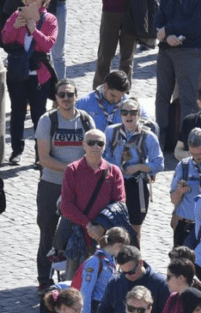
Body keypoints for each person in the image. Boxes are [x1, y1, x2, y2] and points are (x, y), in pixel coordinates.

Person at [34, 80, 94, 289]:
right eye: (62, 95)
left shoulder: (86, 120)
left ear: (76, 96)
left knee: (81, 231)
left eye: (70, 94)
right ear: (56, 98)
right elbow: (44, 159)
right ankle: (44, 280)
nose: (66, 99)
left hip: (79, 187)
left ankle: (77, 277)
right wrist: (74, 168)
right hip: (52, 184)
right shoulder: (47, 120)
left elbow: (94, 152)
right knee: (47, 230)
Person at [59, 128, 126, 275]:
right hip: (77, 236)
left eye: (99, 143)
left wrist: (101, 227)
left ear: (104, 146)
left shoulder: (114, 171)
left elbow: (119, 204)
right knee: (74, 281)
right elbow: (66, 206)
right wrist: (89, 225)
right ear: (83, 145)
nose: (95, 146)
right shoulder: (73, 170)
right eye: (91, 143)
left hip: (106, 238)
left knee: (104, 282)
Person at [1, 0, 58, 165]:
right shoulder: (16, 16)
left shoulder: (50, 19)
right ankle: (16, 151)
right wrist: (15, 27)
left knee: (39, 115)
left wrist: (34, 30)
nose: (29, 1)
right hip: (18, 72)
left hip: (39, 74)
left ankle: (40, 155)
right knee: (17, 112)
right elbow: (6, 40)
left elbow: (48, 44)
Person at [153, 0, 201, 150]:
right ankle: (161, 140)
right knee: (162, 95)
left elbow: (195, 23)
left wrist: (167, 29)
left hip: (190, 49)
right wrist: (166, 36)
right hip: (166, 48)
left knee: (188, 97)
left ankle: (187, 143)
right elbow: (158, 19)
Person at [103, 98, 164, 238]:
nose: (129, 116)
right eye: (125, 112)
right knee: (111, 225)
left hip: (136, 185)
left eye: (133, 112)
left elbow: (159, 164)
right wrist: (112, 167)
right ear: (120, 115)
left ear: (139, 114)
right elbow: (103, 155)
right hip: (113, 183)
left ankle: (135, 257)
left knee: (135, 229)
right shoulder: (111, 132)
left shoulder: (149, 137)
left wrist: (139, 167)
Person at [96, 246, 169, 313]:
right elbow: (101, 312)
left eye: (131, 272)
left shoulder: (161, 284)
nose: (128, 276)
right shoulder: (114, 282)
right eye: (124, 273)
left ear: (141, 263)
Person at [79, 228, 126, 313]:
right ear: (119, 245)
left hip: (107, 309)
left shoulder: (111, 260)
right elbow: (85, 293)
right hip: (95, 311)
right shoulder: (95, 261)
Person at [78, 71, 143, 132]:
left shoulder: (130, 103)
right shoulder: (84, 103)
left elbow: (146, 122)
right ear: (105, 86)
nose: (116, 100)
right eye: (113, 95)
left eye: (120, 97)